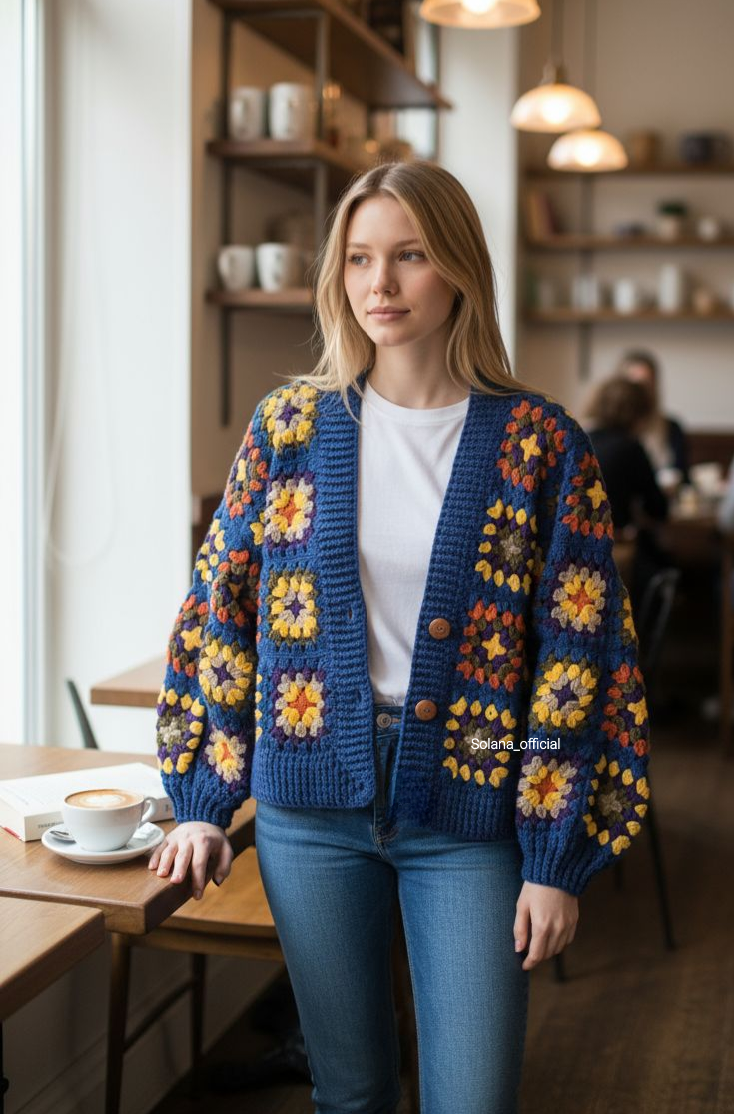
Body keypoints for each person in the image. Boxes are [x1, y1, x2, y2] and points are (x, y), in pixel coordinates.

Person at [149, 160, 651, 1114]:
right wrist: (205, 798)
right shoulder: (289, 426)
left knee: (473, 1098)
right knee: (350, 1092)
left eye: (411, 256)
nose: (379, 285)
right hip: (307, 811)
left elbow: (577, 663)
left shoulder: (541, 443)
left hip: (470, 813)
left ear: (458, 267)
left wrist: (552, 857)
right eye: (359, 259)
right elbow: (222, 612)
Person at [586, 375, 669, 608]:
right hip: (615, 552)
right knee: (663, 567)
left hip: (577, 549)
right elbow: (658, 508)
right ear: (638, 414)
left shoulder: (582, 440)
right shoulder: (631, 448)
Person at [618, 349, 690, 484]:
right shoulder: (608, 432)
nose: (641, 392)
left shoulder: (671, 427)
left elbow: (683, 476)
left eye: (647, 383)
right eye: (635, 385)